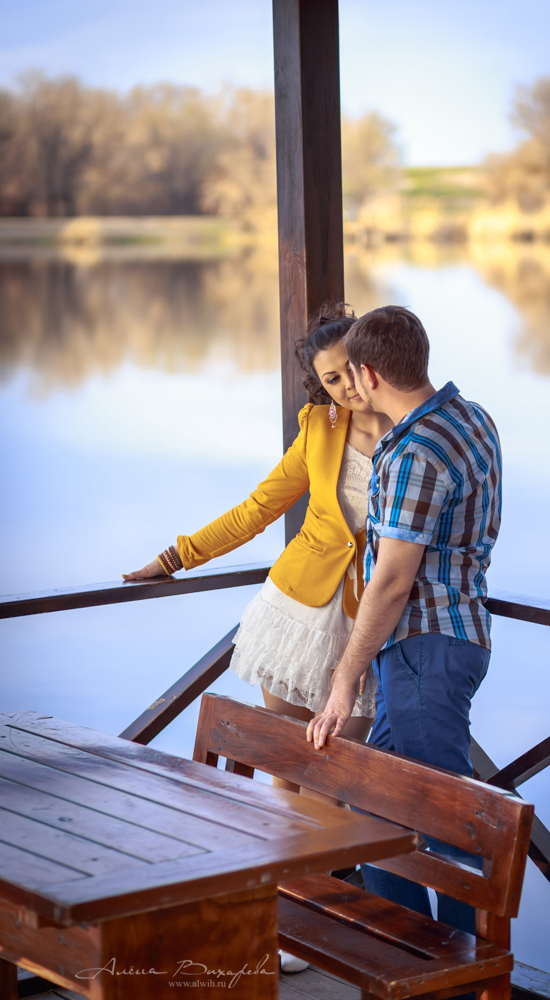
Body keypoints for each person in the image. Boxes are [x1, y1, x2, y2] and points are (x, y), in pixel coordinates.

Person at [123, 301, 393, 770]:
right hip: (292, 616)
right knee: (286, 771)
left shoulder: (413, 429)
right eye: (332, 379)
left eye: (350, 369)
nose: (348, 386)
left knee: (334, 776)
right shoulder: (318, 429)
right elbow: (257, 509)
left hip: (367, 628)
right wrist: (173, 558)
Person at [307, 305, 502, 935]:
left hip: (426, 647)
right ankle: (407, 947)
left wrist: (343, 680)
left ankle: (467, 974)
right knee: (373, 807)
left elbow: (391, 582)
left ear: (367, 374)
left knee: (450, 824)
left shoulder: (413, 451)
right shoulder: (469, 416)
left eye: (349, 377)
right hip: (444, 639)